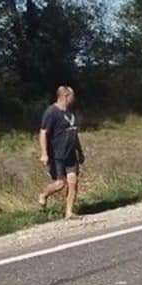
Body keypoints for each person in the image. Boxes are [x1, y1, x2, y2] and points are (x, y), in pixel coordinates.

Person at [38, 86, 84, 218]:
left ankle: (69, 212)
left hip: (70, 154)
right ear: (65, 96)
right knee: (60, 184)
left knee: (73, 182)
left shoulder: (70, 113)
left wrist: (79, 151)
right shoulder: (51, 112)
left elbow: (74, 133)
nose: (74, 99)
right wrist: (44, 153)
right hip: (57, 154)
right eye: (72, 96)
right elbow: (43, 132)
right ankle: (44, 194)